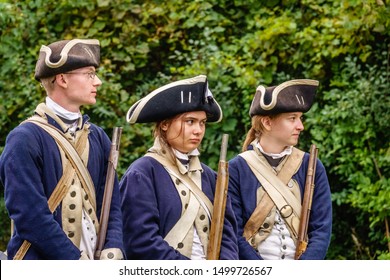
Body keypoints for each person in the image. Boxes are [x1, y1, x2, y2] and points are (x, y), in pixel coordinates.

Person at [0, 39, 124, 260]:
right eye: (89, 74)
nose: (98, 82)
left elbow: (111, 203)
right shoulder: (24, 139)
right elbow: (31, 217)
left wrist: (113, 247)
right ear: (62, 79)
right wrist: (73, 261)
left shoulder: (98, 137)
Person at [120, 75, 239, 260]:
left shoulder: (211, 176)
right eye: (190, 121)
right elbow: (141, 242)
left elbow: (228, 236)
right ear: (165, 124)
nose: (198, 130)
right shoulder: (141, 173)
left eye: (202, 122)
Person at [228, 79, 332, 260]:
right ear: (267, 123)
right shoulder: (237, 169)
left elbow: (321, 230)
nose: (301, 126)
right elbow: (233, 233)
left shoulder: (311, 166)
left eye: (300, 118)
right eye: (292, 118)